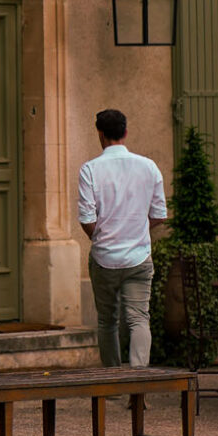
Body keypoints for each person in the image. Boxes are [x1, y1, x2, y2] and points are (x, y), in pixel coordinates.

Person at [77, 107, 167, 368]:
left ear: (100, 134)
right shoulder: (149, 167)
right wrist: (135, 229)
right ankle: (138, 382)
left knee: (107, 320)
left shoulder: (90, 170)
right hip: (139, 257)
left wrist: (104, 235)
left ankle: (112, 384)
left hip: (104, 257)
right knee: (139, 318)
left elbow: (86, 220)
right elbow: (160, 214)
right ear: (125, 132)